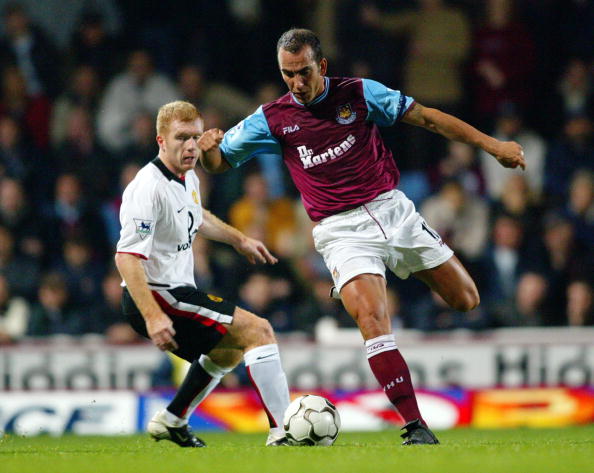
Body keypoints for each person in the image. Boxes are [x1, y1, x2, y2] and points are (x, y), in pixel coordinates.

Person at [197, 28, 526, 445]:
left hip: (394, 211)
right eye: (288, 75)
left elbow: (426, 117)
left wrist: (492, 145)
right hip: (340, 231)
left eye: (304, 72)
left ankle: (374, 283)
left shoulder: (359, 94)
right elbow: (219, 164)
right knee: (372, 319)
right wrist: (209, 150)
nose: (297, 83)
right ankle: (414, 426)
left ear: (323, 66)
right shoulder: (271, 118)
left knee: (466, 299)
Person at [115, 100, 290, 448]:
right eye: (181, 138)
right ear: (161, 140)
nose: (192, 146)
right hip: (157, 295)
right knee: (259, 331)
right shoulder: (146, 187)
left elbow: (199, 216)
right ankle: (285, 432)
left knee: (228, 352)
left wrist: (240, 239)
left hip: (175, 292)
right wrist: (152, 317)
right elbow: (126, 258)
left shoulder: (188, 176)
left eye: (195, 136)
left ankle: (173, 419)